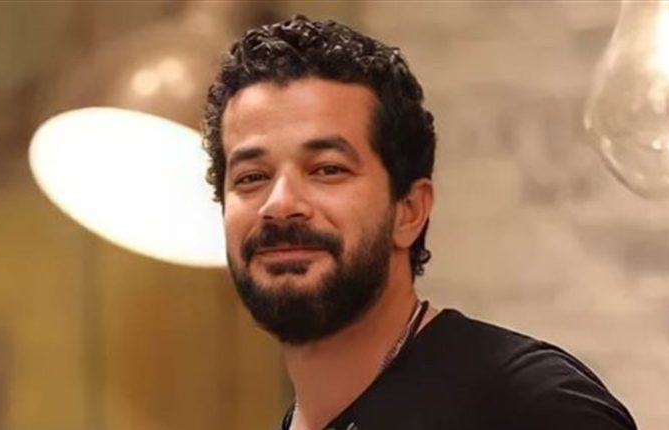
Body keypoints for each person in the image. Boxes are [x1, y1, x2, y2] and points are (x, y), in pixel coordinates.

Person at [202, 15, 638, 430]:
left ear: (409, 210)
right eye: (252, 177)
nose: (280, 204)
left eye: (327, 169)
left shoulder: (534, 408)